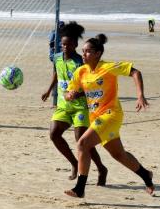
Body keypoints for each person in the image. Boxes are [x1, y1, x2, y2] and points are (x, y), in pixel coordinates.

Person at [63, 34, 154, 198]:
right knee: (119, 155)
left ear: (98, 53)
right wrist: (69, 95)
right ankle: (145, 175)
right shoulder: (81, 71)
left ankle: (80, 188)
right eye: (82, 51)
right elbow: (69, 91)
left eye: (88, 51)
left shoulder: (108, 67)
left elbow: (135, 72)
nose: (83, 54)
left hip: (111, 115)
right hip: (96, 118)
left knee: (82, 143)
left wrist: (140, 95)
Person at [41, 21, 108, 184]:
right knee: (54, 134)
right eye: (63, 44)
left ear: (75, 44)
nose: (65, 47)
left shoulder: (80, 62)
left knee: (82, 140)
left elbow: (89, 83)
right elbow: (56, 74)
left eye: (69, 44)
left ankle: (101, 168)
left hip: (80, 107)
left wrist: (77, 94)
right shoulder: (57, 58)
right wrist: (49, 90)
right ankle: (74, 163)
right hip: (64, 105)